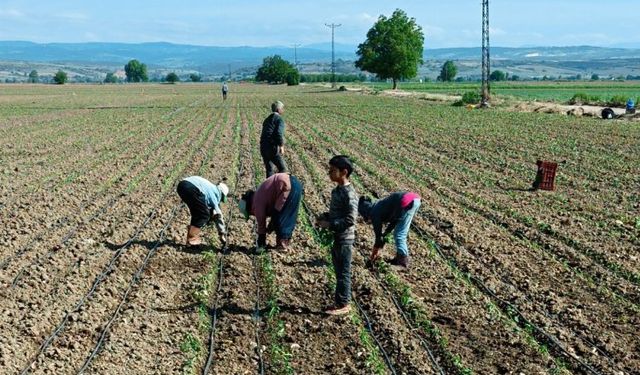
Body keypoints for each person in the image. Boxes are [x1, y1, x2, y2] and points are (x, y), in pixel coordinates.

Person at [317, 156, 358, 316]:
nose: (329, 173)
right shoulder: (337, 191)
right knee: (338, 271)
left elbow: (350, 219)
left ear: (344, 172)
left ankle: (343, 304)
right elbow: (337, 214)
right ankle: (340, 300)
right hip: (337, 237)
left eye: (333, 170)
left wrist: (331, 224)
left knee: (343, 272)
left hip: (345, 239)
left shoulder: (349, 194)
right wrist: (325, 217)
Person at [238, 172, 303, 251]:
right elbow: (274, 211)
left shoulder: (256, 203)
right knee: (287, 216)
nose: (253, 214)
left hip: (286, 186)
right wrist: (271, 226)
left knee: (281, 218)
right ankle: (283, 243)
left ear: (249, 208)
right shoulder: (257, 195)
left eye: (250, 213)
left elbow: (261, 225)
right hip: (295, 183)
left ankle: (282, 245)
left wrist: (260, 245)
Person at [358, 191, 421, 269]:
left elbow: (378, 237)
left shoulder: (374, 214)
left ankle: (403, 262)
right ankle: (399, 258)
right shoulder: (379, 207)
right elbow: (391, 225)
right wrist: (383, 239)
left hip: (407, 202)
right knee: (398, 232)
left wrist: (374, 253)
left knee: (399, 234)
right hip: (413, 199)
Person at [176, 176, 229, 247]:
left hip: (182, 186)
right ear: (221, 194)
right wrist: (222, 233)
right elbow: (218, 215)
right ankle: (192, 239)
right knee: (204, 215)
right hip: (191, 188)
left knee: (197, 214)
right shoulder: (214, 194)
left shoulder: (211, 187)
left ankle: (189, 242)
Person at [260, 101, 287, 178]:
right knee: (283, 169)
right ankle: (279, 187)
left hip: (263, 146)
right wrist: (281, 146)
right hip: (272, 147)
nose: (283, 110)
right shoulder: (279, 119)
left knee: (269, 170)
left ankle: (269, 188)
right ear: (278, 110)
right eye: (282, 108)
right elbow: (278, 134)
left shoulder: (267, 119)